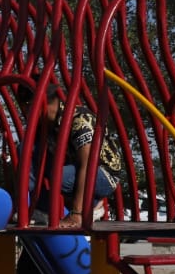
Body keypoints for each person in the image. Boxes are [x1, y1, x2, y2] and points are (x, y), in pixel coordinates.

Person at [20, 83, 122, 228]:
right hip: (72, 167)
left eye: (25, 106)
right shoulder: (45, 124)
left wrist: (76, 213)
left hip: (103, 173)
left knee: (59, 177)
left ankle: (92, 206)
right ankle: (40, 209)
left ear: (35, 104)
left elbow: (87, 165)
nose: (24, 112)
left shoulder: (79, 119)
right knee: (25, 148)